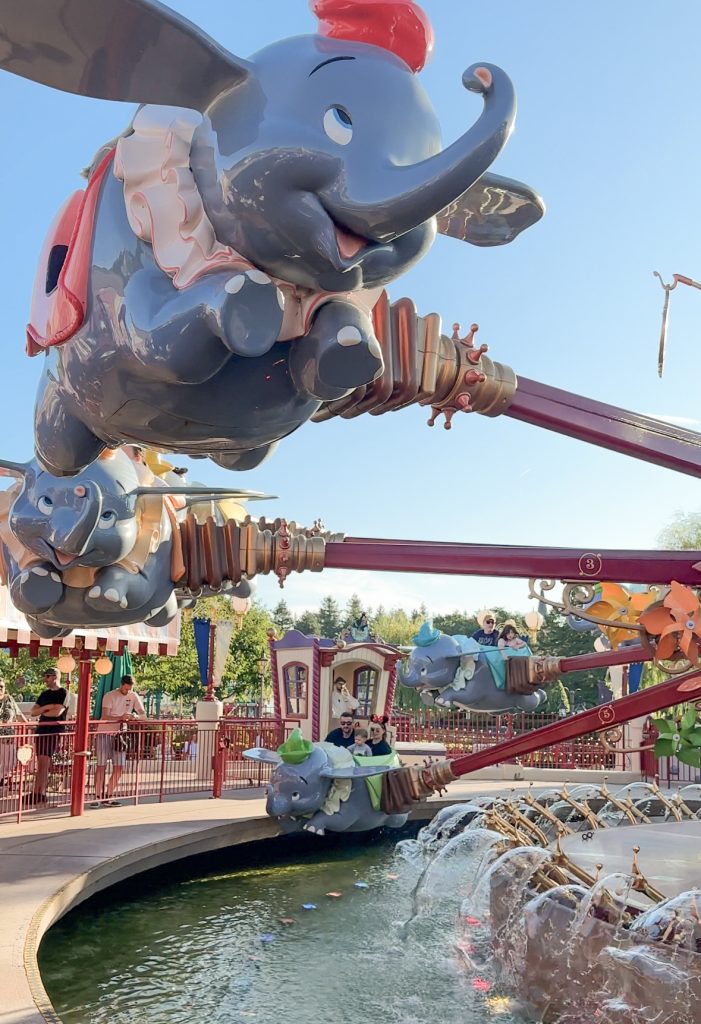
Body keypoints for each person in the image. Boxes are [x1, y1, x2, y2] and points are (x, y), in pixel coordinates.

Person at [93, 675, 146, 805]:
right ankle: (97, 796)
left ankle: (109, 795)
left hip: (121, 735)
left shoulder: (133, 696)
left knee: (119, 766)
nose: (127, 691)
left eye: (129, 689)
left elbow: (143, 714)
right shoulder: (110, 696)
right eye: (125, 689)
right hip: (104, 733)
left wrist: (134, 716)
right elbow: (104, 716)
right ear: (121, 685)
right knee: (101, 765)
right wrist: (120, 718)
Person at [29, 668, 68, 803]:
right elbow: (33, 712)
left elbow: (57, 713)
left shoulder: (64, 693)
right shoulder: (44, 694)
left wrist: (45, 710)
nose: (45, 679)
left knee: (45, 761)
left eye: (47, 676)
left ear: (55, 677)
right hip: (42, 729)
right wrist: (48, 707)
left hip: (54, 730)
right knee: (40, 762)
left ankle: (40, 792)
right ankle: (36, 792)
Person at [0, 679, 27, 785]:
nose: (0, 689)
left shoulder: (9, 699)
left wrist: (29, 725)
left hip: (7, 738)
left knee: (11, 761)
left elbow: (19, 715)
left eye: (2, 686)